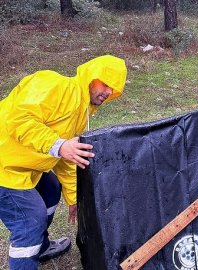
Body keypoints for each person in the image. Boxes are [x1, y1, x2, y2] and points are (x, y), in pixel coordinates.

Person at [0, 55, 127, 269]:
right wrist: (59, 145)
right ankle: (28, 247)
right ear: (91, 76)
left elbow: (68, 156)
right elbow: (19, 119)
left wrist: (72, 197)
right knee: (30, 219)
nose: (107, 92)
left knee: (51, 187)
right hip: (4, 166)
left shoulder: (81, 110)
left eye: (113, 89)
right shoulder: (53, 84)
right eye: (105, 83)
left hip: (23, 164)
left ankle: (40, 247)